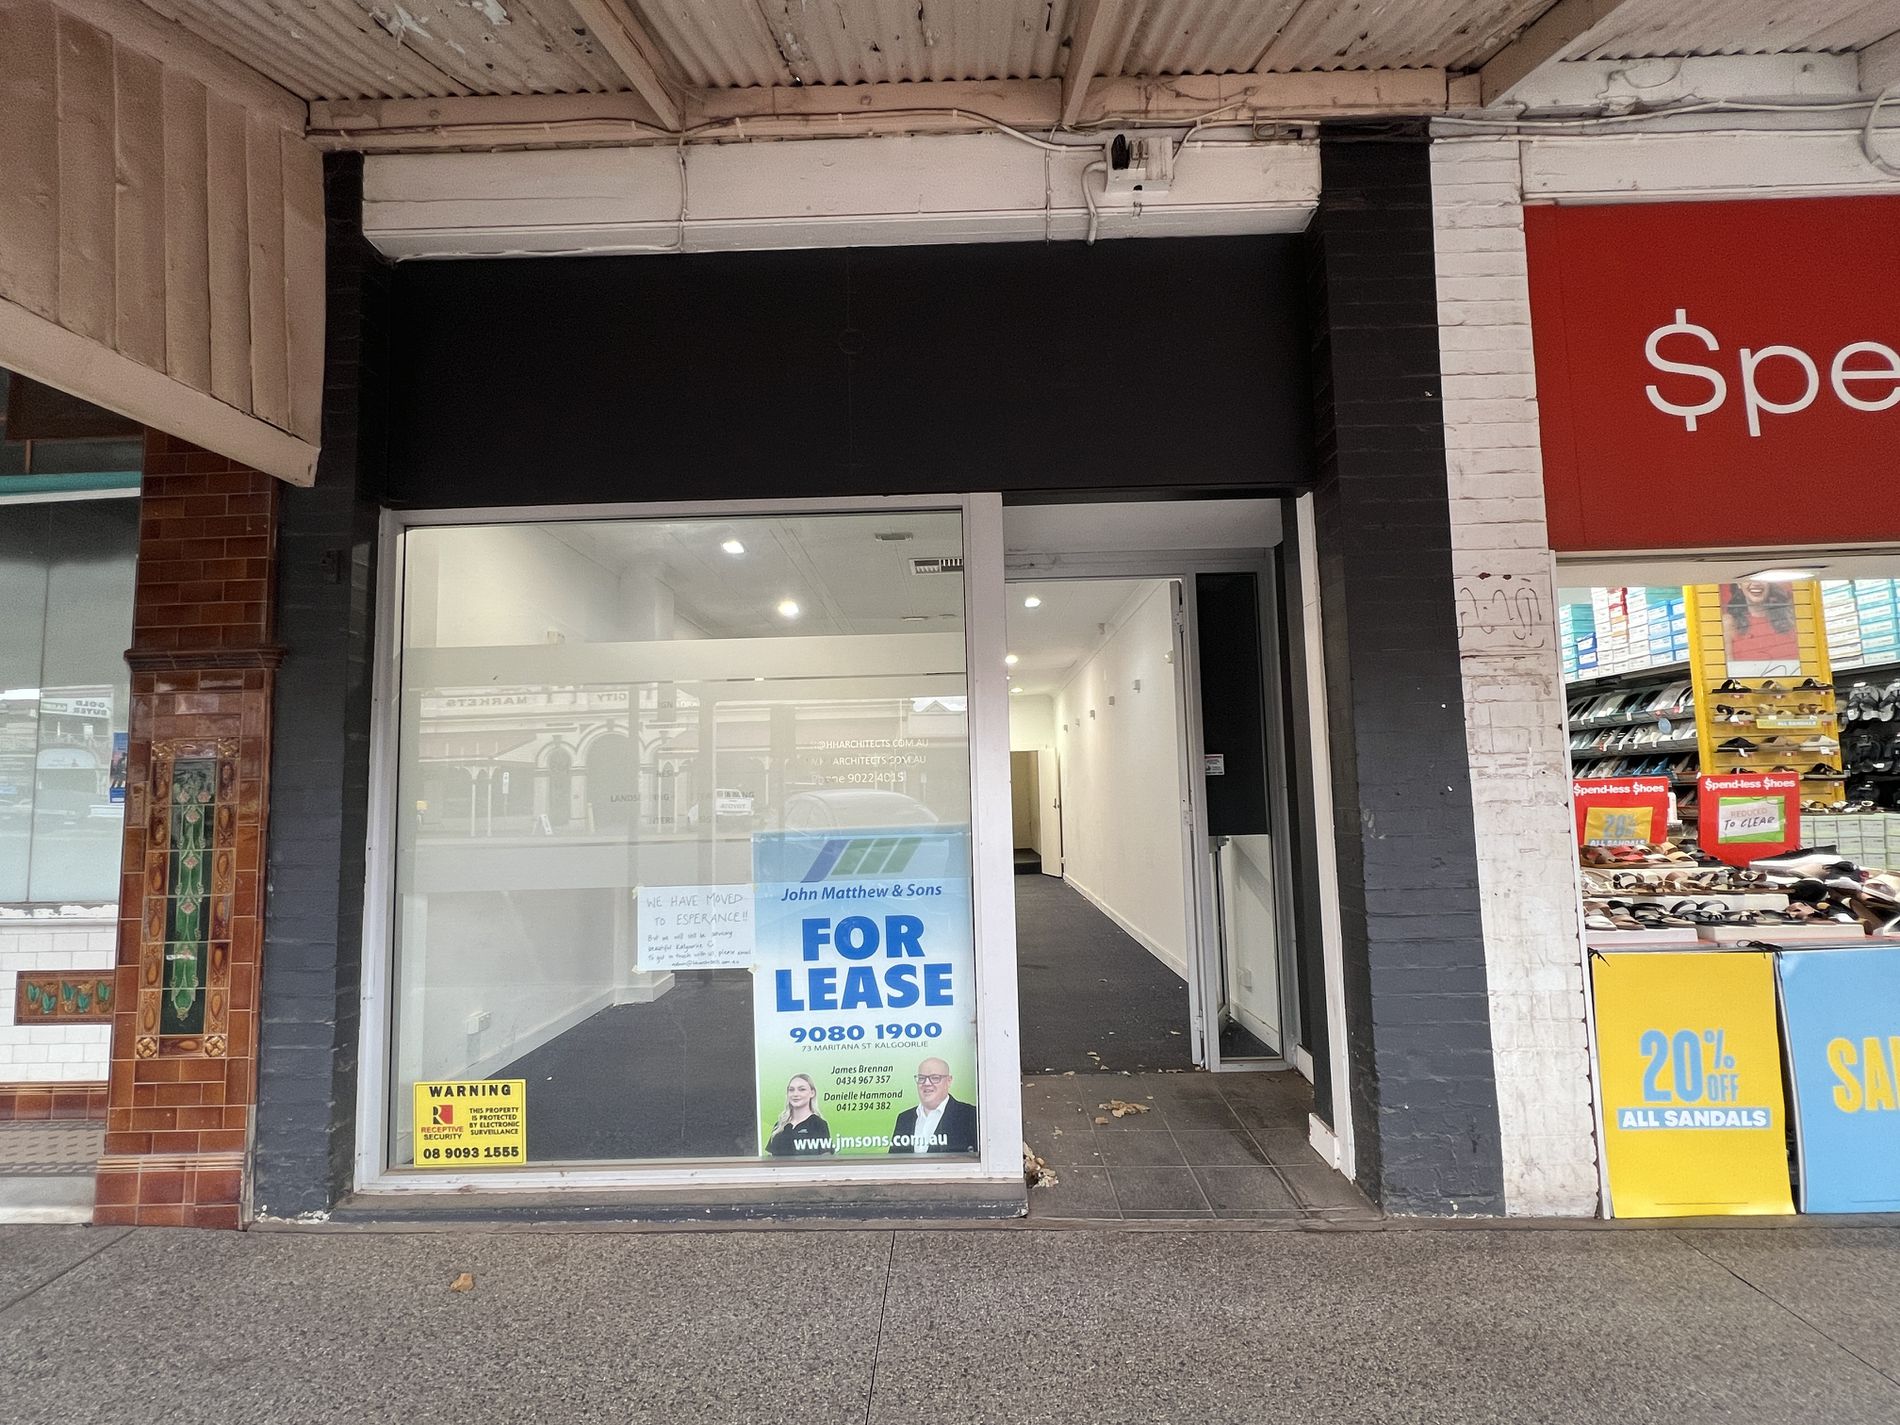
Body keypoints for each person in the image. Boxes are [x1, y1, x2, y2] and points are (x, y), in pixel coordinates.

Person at [888, 1057, 977, 1154]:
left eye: (935, 1078)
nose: (926, 1083)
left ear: (949, 1081)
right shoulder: (904, 1118)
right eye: (921, 1078)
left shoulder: (970, 1115)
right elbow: (894, 1159)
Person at [1722, 580, 1799, 671]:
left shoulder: (1790, 618)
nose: (1756, 584)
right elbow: (1728, 672)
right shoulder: (1729, 622)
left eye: (1761, 579)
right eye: (1748, 579)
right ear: (1739, 584)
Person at [764, 1073, 833, 1157]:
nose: (795, 1094)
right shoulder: (779, 1125)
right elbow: (770, 1157)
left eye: (802, 1089)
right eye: (791, 1090)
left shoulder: (818, 1124)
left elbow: (826, 1157)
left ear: (812, 1093)